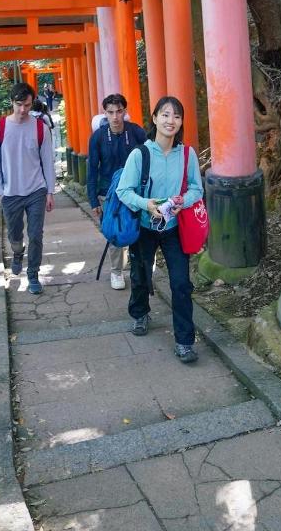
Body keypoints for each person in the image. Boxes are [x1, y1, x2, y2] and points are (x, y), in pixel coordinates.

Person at [115, 96, 203, 363]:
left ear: (181, 122)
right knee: (141, 275)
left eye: (176, 116)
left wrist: (182, 201)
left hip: (174, 227)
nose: (170, 121)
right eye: (165, 115)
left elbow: (197, 189)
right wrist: (146, 204)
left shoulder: (187, 154)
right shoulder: (140, 154)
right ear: (154, 118)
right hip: (145, 226)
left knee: (181, 283)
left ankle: (184, 342)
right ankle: (140, 312)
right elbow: (123, 191)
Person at [0, 83, 55, 294]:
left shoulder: (40, 128)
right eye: (19, 104)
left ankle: (33, 274)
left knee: (36, 234)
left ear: (32, 103)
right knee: (15, 235)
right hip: (11, 193)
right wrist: (0, 192)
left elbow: (48, 161)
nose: (23, 109)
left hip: (36, 190)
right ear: (12, 102)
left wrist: (50, 191)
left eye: (27, 105)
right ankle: (18, 252)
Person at [87, 94, 147, 290]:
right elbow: (92, 169)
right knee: (116, 231)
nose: (115, 117)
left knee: (139, 229)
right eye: (110, 112)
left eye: (119, 111)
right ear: (105, 113)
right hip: (108, 192)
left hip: (135, 191)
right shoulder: (98, 137)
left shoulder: (136, 132)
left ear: (124, 112)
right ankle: (116, 271)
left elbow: (149, 158)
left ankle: (141, 270)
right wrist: (93, 200)